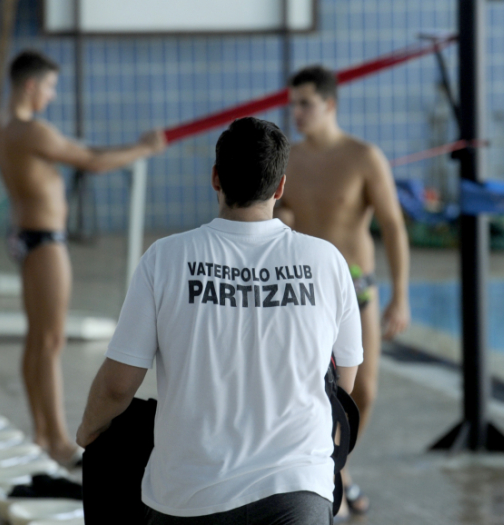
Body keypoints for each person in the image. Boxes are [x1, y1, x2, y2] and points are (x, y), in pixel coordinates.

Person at [76, 117, 363, 524]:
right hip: (297, 492)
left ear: (215, 178)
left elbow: (118, 384)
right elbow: (343, 385)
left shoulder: (166, 258)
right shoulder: (326, 261)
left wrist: (89, 430)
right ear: (280, 187)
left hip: (191, 496)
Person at [0, 49, 166, 467]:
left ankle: (41, 432)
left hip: (27, 236)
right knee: (50, 342)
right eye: (49, 87)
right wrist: (143, 148)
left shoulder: (1, 128)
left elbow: (84, 153)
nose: (51, 96)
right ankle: (54, 439)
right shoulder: (33, 131)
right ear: (31, 85)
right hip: (46, 242)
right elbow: (93, 162)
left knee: (37, 339)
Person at [276, 64, 411, 517]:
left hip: (358, 288)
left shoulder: (363, 157)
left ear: (330, 105)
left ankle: (337, 466)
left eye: (305, 104)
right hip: (306, 290)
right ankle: (328, 475)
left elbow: (392, 226)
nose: (296, 112)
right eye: (292, 103)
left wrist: (402, 295)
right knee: (307, 389)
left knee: (363, 390)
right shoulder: (288, 159)